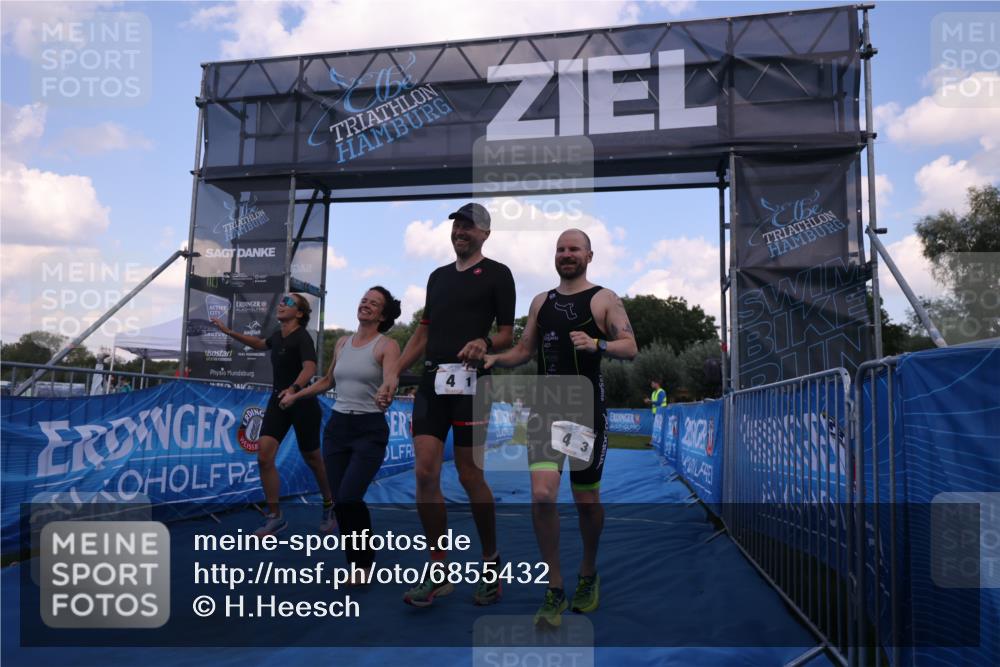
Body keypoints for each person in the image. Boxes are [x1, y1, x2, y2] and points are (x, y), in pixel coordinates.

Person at [484, 228, 638, 628]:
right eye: (561, 249)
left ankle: (588, 573)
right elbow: (522, 351)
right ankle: (554, 586)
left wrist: (598, 344)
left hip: (584, 408)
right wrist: (492, 358)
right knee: (541, 494)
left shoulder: (604, 298)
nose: (566, 254)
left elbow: (630, 347)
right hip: (547, 407)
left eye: (574, 249)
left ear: (590, 255)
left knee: (585, 500)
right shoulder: (541, 301)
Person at [378, 202, 516, 608]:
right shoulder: (436, 277)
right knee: (424, 473)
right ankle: (438, 571)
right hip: (432, 382)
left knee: (471, 475)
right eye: (457, 224)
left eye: (469, 226)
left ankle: (490, 565)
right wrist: (393, 374)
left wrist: (485, 343)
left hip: (473, 384)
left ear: (485, 234)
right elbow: (421, 336)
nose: (461, 231)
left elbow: (508, 333)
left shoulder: (498, 274)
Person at [280, 287, 402, 581]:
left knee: (349, 498)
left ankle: (364, 563)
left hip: (369, 429)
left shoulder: (387, 345)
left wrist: (387, 392)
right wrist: (296, 395)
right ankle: (356, 565)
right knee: (340, 500)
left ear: (382, 314)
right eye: (364, 299)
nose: (366, 305)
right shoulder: (343, 343)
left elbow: (391, 378)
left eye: (374, 303)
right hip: (337, 428)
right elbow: (326, 380)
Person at [211, 293, 334, 536]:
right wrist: (227, 331)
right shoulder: (278, 337)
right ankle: (275, 516)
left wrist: (295, 389)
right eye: (281, 301)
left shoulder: (302, 337)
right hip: (278, 401)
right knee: (264, 457)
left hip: (301, 403)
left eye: (288, 302)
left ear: (299, 313)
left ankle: (330, 503)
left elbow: (309, 367)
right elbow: (258, 344)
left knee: (313, 459)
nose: (281, 304)